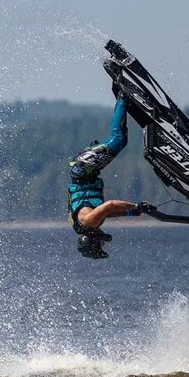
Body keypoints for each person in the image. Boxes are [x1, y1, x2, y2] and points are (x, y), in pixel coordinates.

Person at [67, 93, 152, 259]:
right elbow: (106, 212)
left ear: (94, 241)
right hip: (84, 171)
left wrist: (136, 206)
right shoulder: (87, 224)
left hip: (84, 169)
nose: (103, 243)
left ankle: (123, 96)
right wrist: (133, 213)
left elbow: (110, 206)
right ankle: (124, 102)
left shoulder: (89, 222)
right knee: (121, 140)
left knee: (118, 139)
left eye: (100, 245)